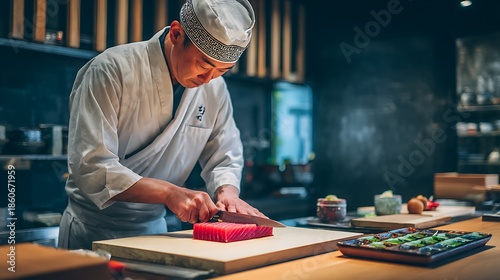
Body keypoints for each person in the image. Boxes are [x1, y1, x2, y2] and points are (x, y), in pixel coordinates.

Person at [58, 0, 264, 250]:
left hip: (155, 233)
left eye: (222, 71)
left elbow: (225, 156)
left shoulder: (215, 89)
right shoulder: (111, 70)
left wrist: (227, 193)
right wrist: (169, 193)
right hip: (92, 232)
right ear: (177, 34)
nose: (208, 79)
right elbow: (92, 166)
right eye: (203, 64)